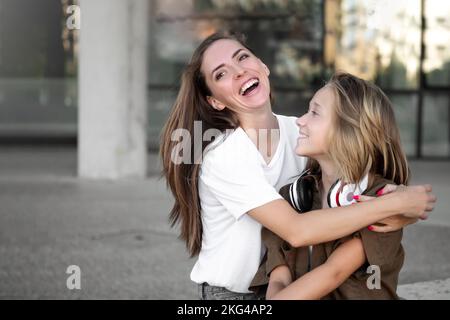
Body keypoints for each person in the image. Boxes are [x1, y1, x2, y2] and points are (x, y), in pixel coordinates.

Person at [159, 31, 436, 300]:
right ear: (215, 101)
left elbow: (359, 172)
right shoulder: (224, 155)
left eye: (242, 57)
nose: (239, 71)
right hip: (234, 294)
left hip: (296, 283)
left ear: (263, 66)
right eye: (221, 74)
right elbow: (297, 230)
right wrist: (395, 205)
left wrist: (403, 208)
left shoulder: (302, 133)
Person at [251, 72, 413, 299]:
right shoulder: (294, 197)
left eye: (315, 112)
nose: (300, 120)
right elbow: (278, 279)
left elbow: (332, 273)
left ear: (350, 131)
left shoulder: (379, 199)